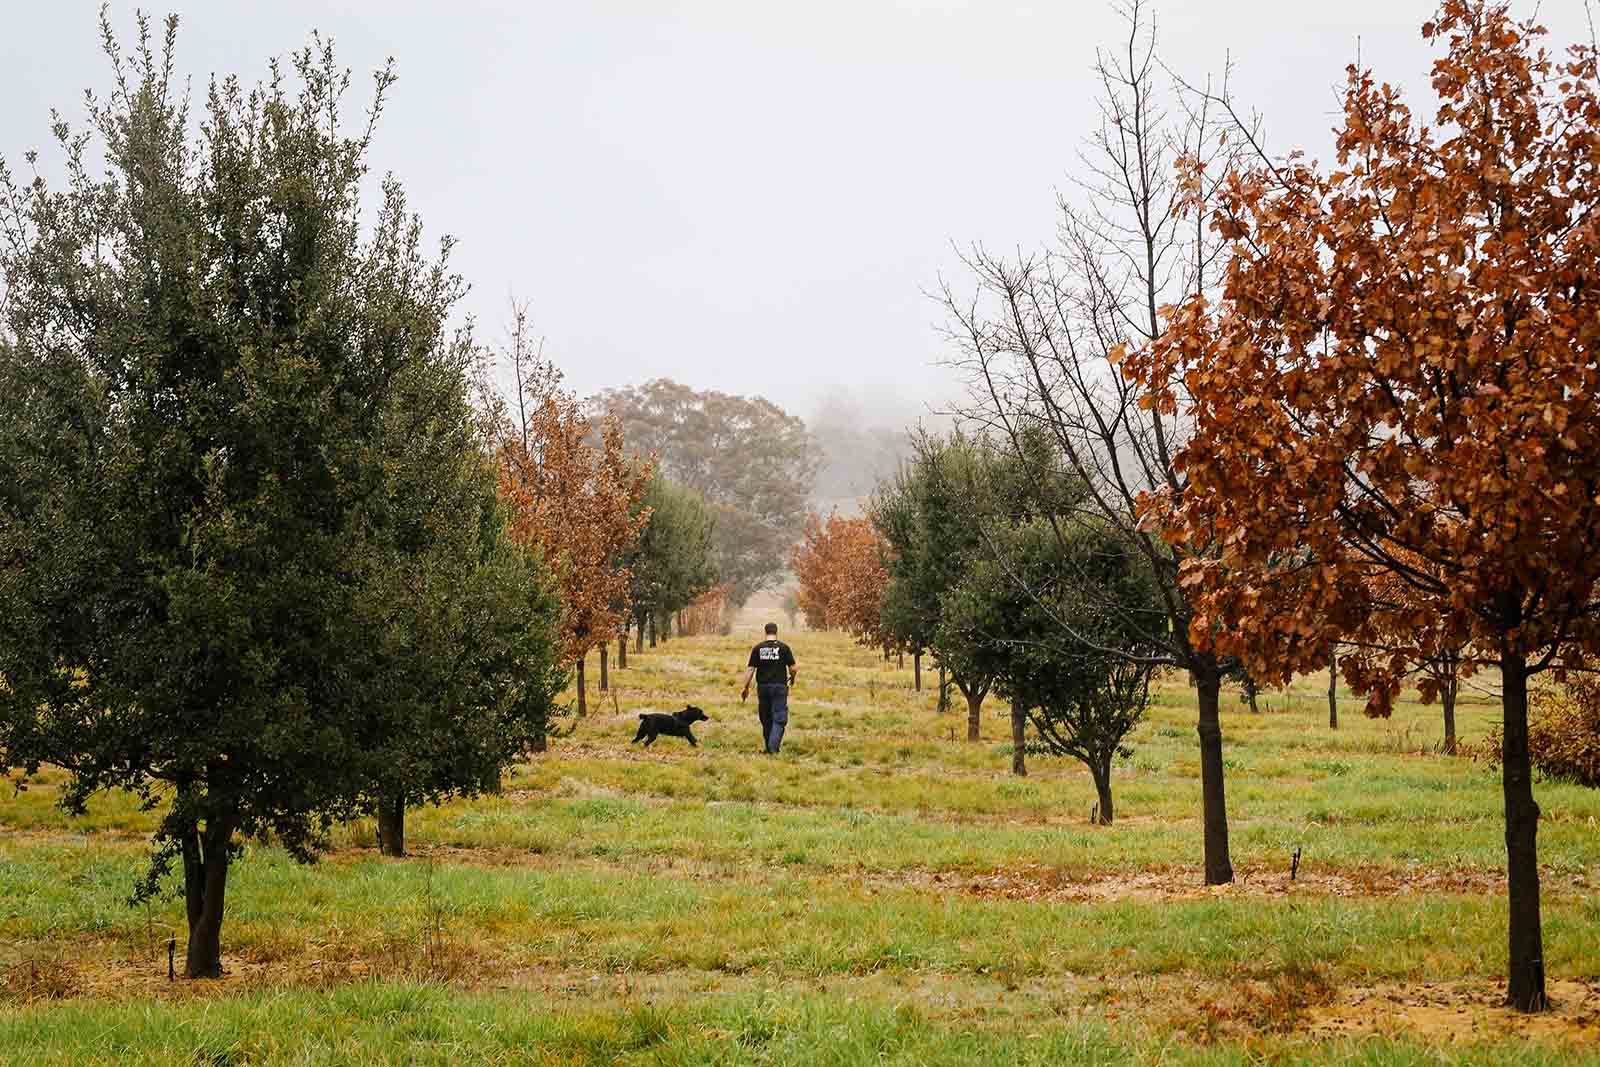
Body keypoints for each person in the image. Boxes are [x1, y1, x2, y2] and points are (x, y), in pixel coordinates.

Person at [741, 622, 797, 754]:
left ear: (765, 632)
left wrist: (745, 687)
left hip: (763, 688)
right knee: (779, 718)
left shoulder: (758, 648)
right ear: (776, 632)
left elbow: (750, 670)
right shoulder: (784, 648)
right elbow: (793, 668)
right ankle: (772, 748)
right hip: (779, 687)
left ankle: (769, 747)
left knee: (766, 718)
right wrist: (792, 678)